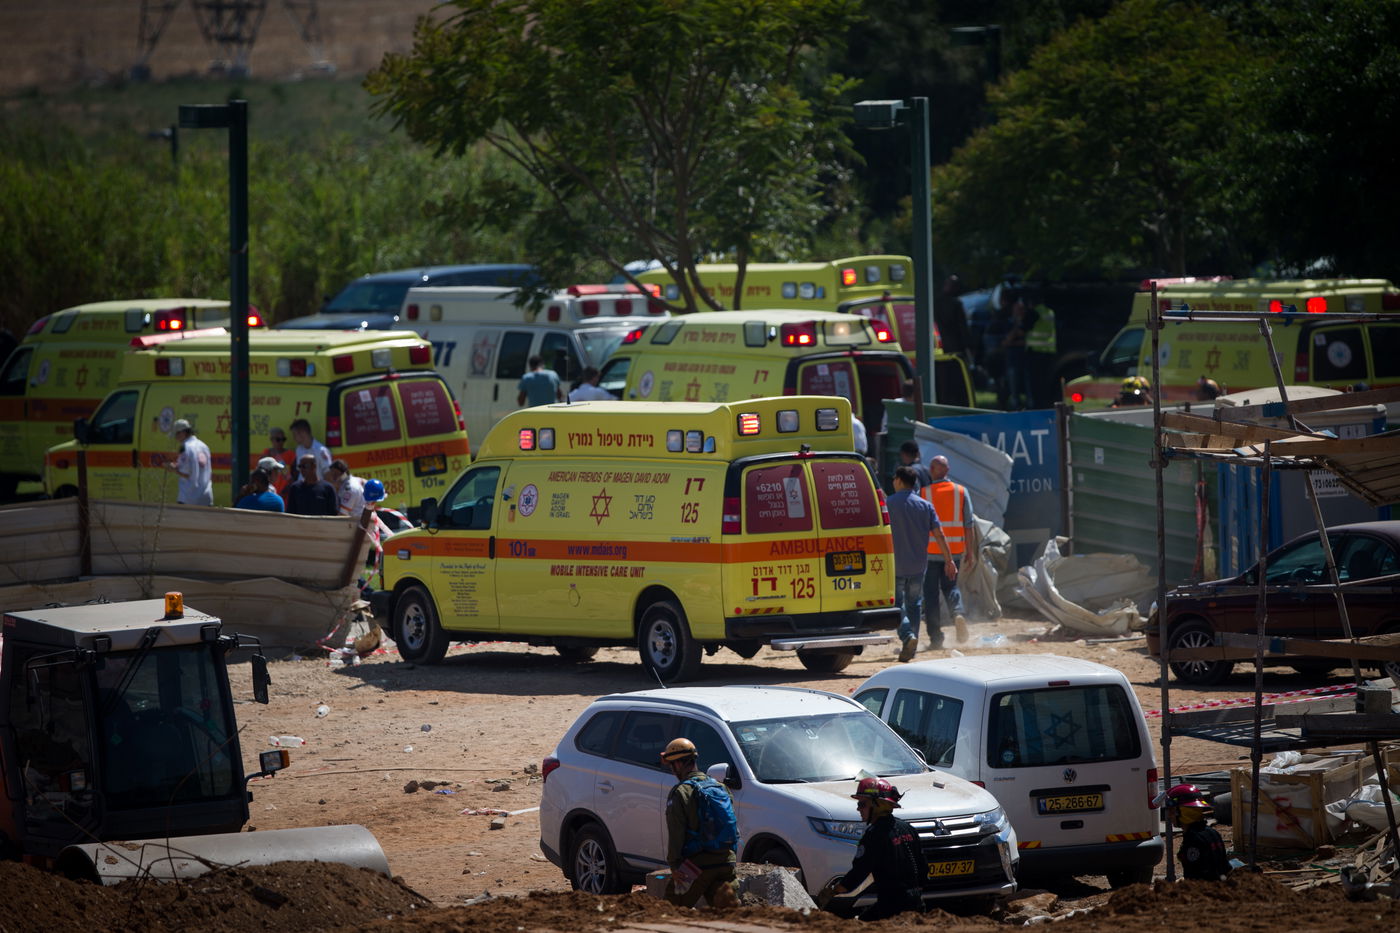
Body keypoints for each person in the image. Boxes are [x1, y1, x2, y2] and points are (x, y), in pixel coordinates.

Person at [823, 777, 927, 920]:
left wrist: (834, 891)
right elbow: (923, 867)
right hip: (916, 904)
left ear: (878, 805)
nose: (858, 808)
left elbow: (860, 871)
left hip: (891, 908)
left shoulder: (874, 835)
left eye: (862, 803)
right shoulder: (907, 828)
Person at [660, 737, 739, 909]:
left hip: (696, 865)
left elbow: (676, 834)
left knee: (669, 911)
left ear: (679, 765)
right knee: (729, 915)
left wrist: (674, 866)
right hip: (726, 862)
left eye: (672, 766)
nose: (672, 771)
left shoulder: (681, 792)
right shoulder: (720, 787)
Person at [888, 466, 954, 663]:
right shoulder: (925, 506)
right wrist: (949, 560)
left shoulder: (888, 504)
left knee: (896, 605)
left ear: (899, 480)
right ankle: (912, 647)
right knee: (915, 604)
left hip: (896, 565)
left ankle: (908, 636)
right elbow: (940, 534)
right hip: (918, 565)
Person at [920, 455, 975, 647]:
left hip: (929, 553)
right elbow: (969, 524)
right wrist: (970, 550)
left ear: (933, 470)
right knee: (951, 587)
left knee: (930, 594)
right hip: (954, 552)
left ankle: (936, 638)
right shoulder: (961, 492)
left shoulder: (924, 493)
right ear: (947, 470)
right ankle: (958, 614)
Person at [1158, 783, 1230, 881]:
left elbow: (1194, 877)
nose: (1170, 816)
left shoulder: (1193, 839)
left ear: (1183, 812)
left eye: (1172, 811)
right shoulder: (1211, 832)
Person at [165, 419, 213, 506]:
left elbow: (186, 473)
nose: (176, 438)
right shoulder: (204, 446)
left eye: (176, 434)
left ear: (182, 433)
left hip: (189, 497)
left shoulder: (186, 447)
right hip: (206, 496)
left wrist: (173, 468)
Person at [262, 427, 297, 493]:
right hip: (269, 492)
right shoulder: (266, 453)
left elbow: (295, 477)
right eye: (278, 439)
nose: (281, 442)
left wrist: (287, 490)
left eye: (283, 439)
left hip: (285, 493)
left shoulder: (291, 455)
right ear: (271, 440)